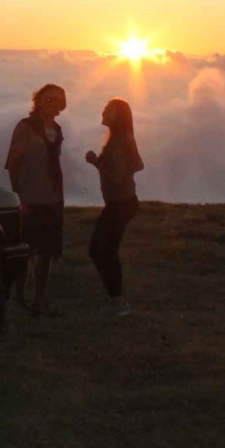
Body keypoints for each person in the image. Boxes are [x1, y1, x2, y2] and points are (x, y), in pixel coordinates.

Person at [4, 83, 67, 316]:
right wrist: (18, 198)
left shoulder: (57, 130)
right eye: (47, 99)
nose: (52, 104)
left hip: (53, 198)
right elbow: (13, 164)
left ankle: (39, 299)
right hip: (30, 199)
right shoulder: (25, 127)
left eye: (57, 100)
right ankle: (18, 300)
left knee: (46, 252)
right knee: (26, 252)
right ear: (38, 101)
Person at [85, 97, 143, 317]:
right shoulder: (123, 138)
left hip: (120, 204)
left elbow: (118, 178)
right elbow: (139, 164)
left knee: (100, 250)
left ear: (117, 117)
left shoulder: (119, 142)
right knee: (107, 250)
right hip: (123, 202)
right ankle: (117, 300)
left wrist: (95, 162)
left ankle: (118, 302)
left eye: (107, 109)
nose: (103, 111)